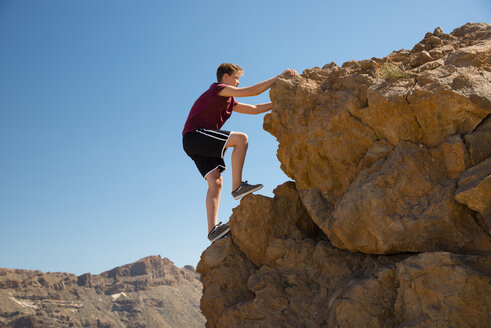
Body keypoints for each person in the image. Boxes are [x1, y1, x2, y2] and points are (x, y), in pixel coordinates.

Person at [182, 63, 298, 242]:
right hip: (195, 135)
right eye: (235, 78)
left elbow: (254, 109)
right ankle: (237, 187)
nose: (237, 82)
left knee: (216, 181)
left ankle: (212, 229)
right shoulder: (218, 89)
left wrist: (278, 102)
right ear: (225, 77)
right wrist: (279, 77)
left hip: (194, 143)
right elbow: (253, 92)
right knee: (241, 139)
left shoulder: (229, 101)